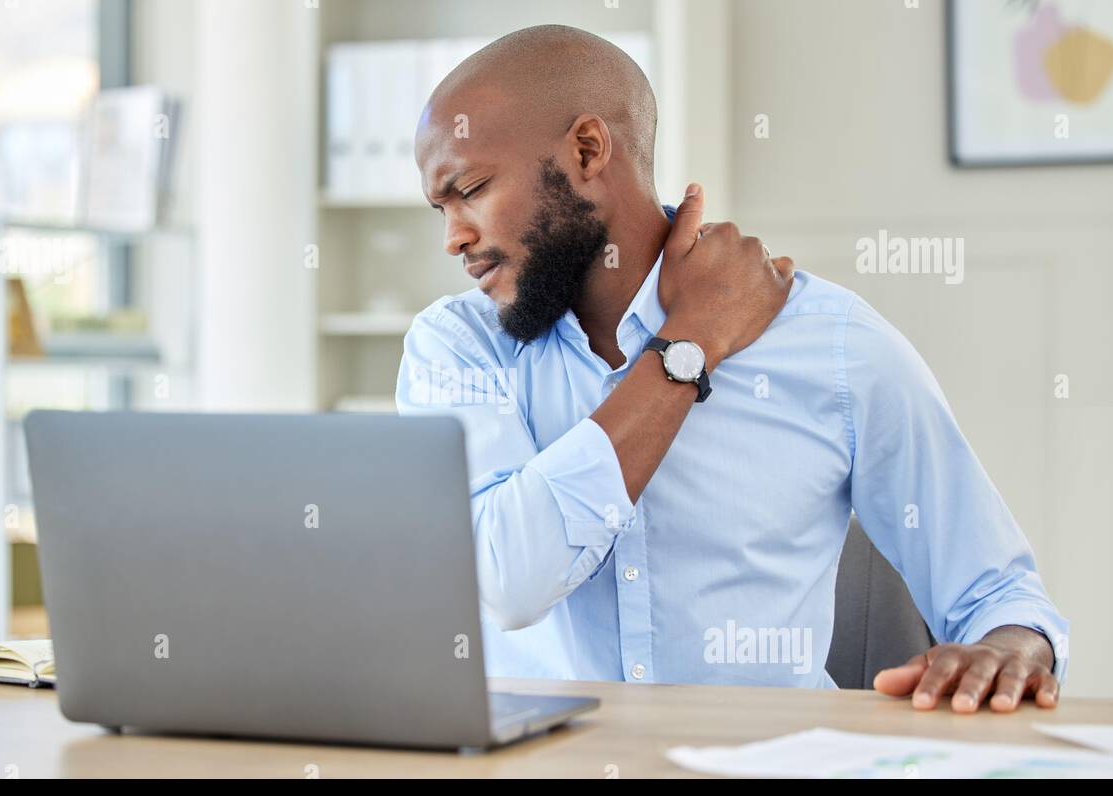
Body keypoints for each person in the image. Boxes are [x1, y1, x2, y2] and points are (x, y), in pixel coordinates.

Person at [396, 25, 1066, 713]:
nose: (454, 238)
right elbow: (509, 579)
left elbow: (998, 596)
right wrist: (687, 347)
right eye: (440, 208)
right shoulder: (455, 349)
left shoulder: (832, 345)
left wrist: (1009, 646)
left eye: (470, 189)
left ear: (588, 150)